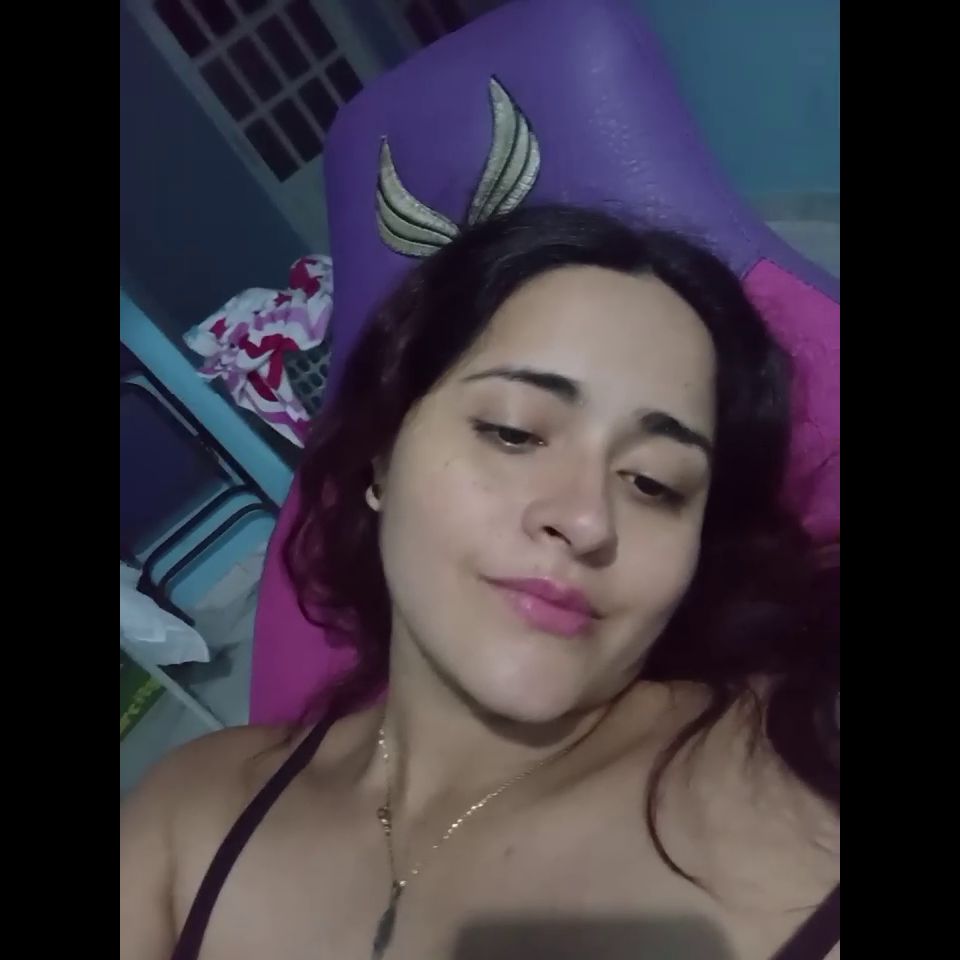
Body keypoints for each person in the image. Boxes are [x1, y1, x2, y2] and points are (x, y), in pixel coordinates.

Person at [120, 205, 840, 960]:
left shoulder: (796, 778)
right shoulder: (193, 814)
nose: (587, 520)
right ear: (382, 457)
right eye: (514, 432)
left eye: (654, 483)